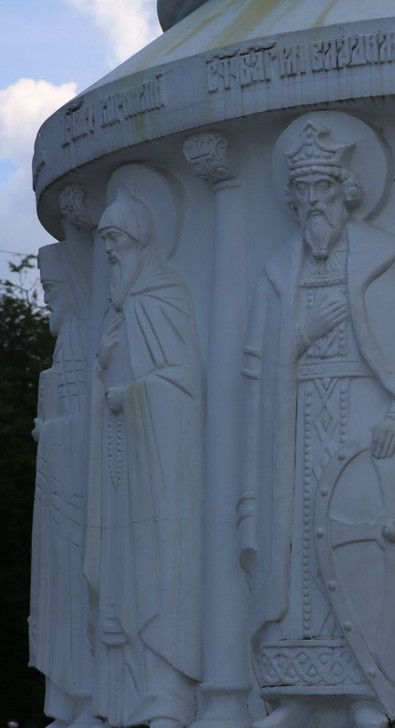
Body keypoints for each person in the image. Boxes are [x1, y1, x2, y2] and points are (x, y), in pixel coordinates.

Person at [240, 119, 395, 728]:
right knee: (301, 548)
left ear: (346, 191)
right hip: (298, 424)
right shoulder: (280, 272)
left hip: (365, 423)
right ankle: (296, 693)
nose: (313, 204)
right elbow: (257, 364)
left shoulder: (386, 257)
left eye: (323, 190)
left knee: (364, 543)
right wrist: (302, 336)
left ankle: (367, 689)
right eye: (302, 193)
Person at [88, 193, 204, 727]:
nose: (108, 252)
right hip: (125, 465)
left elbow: (183, 380)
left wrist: (132, 393)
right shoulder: (121, 307)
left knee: (159, 571)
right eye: (103, 241)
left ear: (138, 242)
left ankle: (168, 691)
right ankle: (126, 692)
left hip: (162, 467)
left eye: (115, 241)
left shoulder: (162, 296)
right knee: (122, 574)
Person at [30, 242, 97, 727]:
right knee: (60, 591)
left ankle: (80, 692)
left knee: (73, 591)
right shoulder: (69, 336)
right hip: (59, 492)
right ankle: (67, 698)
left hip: (73, 492)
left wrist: (48, 431)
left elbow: (81, 421)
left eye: (54, 289)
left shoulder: (79, 336)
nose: (49, 300)